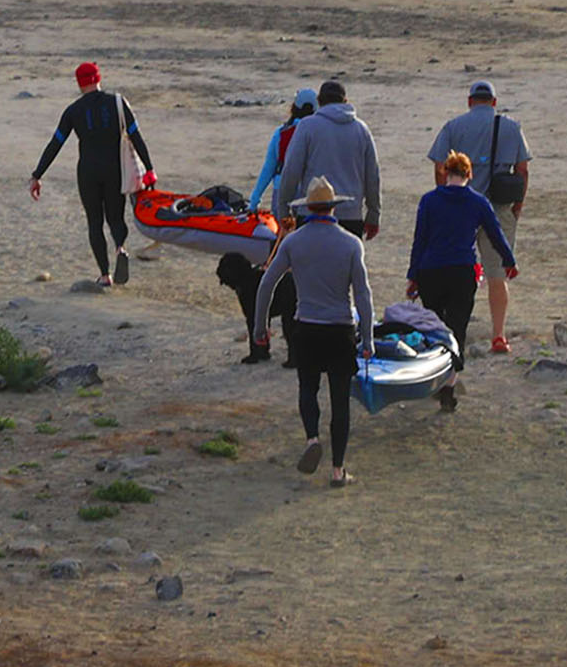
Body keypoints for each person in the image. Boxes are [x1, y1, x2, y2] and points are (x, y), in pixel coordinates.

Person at [250, 177, 375, 486]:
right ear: (333, 208)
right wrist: (369, 338)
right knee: (340, 400)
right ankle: (338, 470)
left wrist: (260, 326)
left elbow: (267, 283)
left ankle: (311, 440)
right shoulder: (350, 244)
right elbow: (363, 295)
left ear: (307, 208)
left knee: (307, 389)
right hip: (340, 329)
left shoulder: (293, 241)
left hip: (306, 327)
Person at [405, 150, 515, 412]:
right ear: (469, 174)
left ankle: (434, 377)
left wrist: (413, 276)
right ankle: (449, 386)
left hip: (431, 270)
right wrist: (509, 260)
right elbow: (495, 233)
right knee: (457, 329)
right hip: (462, 271)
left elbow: (419, 240)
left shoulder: (429, 201)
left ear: (445, 172)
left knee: (434, 327)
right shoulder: (478, 202)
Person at [428, 79, 532, 353]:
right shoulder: (511, 127)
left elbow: (440, 167)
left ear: (470, 101)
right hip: (498, 206)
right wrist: (518, 204)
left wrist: (444, 195)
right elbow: (522, 170)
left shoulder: (454, 126)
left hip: (459, 206)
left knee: (453, 264)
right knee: (498, 274)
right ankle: (498, 335)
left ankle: (448, 330)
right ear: (494, 102)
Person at [30, 61, 153, 287]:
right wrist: (150, 169)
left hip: (87, 172)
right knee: (115, 217)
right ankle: (120, 248)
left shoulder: (73, 111)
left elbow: (55, 143)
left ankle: (105, 275)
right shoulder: (118, 103)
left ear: (79, 83)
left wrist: (37, 175)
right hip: (114, 170)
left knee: (94, 222)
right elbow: (136, 137)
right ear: (98, 79)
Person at [218, 88, 311, 361]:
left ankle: (262, 344)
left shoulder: (281, 133)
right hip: (309, 201)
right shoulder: (318, 130)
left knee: (283, 258)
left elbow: (268, 169)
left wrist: (254, 201)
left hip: (283, 200)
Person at [271, 76, 381, 239]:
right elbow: (372, 176)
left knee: (310, 264)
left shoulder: (307, 126)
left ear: (319, 101)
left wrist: (283, 209)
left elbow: (291, 170)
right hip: (350, 216)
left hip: (311, 212)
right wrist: (373, 214)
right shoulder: (361, 129)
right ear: (345, 101)